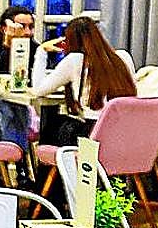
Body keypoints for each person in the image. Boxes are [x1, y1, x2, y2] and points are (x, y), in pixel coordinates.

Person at [29, 15, 137, 146]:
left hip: (92, 136)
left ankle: (45, 165)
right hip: (125, 135)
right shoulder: (123, 57)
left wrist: (42, 50)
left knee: (53, 125)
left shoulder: (75, 60)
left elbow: (38, 89)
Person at [0, 5, 39, 188]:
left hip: (18, 101)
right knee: (8, 110)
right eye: (22, 26)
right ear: (5, 26)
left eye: (31, 27)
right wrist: (8, 44)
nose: (27, 32)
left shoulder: (33, 47)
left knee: (15, 109)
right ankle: (18, 166)